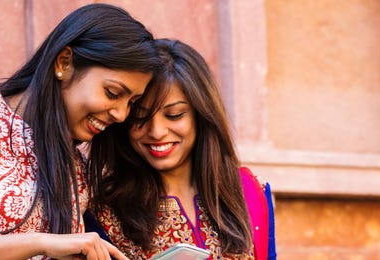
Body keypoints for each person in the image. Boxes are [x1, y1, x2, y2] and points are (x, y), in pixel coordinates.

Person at [0, 3, 160, 259]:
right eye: (112, 93)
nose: (121, 114)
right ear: (64, 62)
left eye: (131, 102)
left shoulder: (75, 165)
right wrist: (41, 242)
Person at [86, 39, 277, 259]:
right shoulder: (105, 210)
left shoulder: (249, 192)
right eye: (140, 117)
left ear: (201, 115)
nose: (156, 132)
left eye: (174, 115)